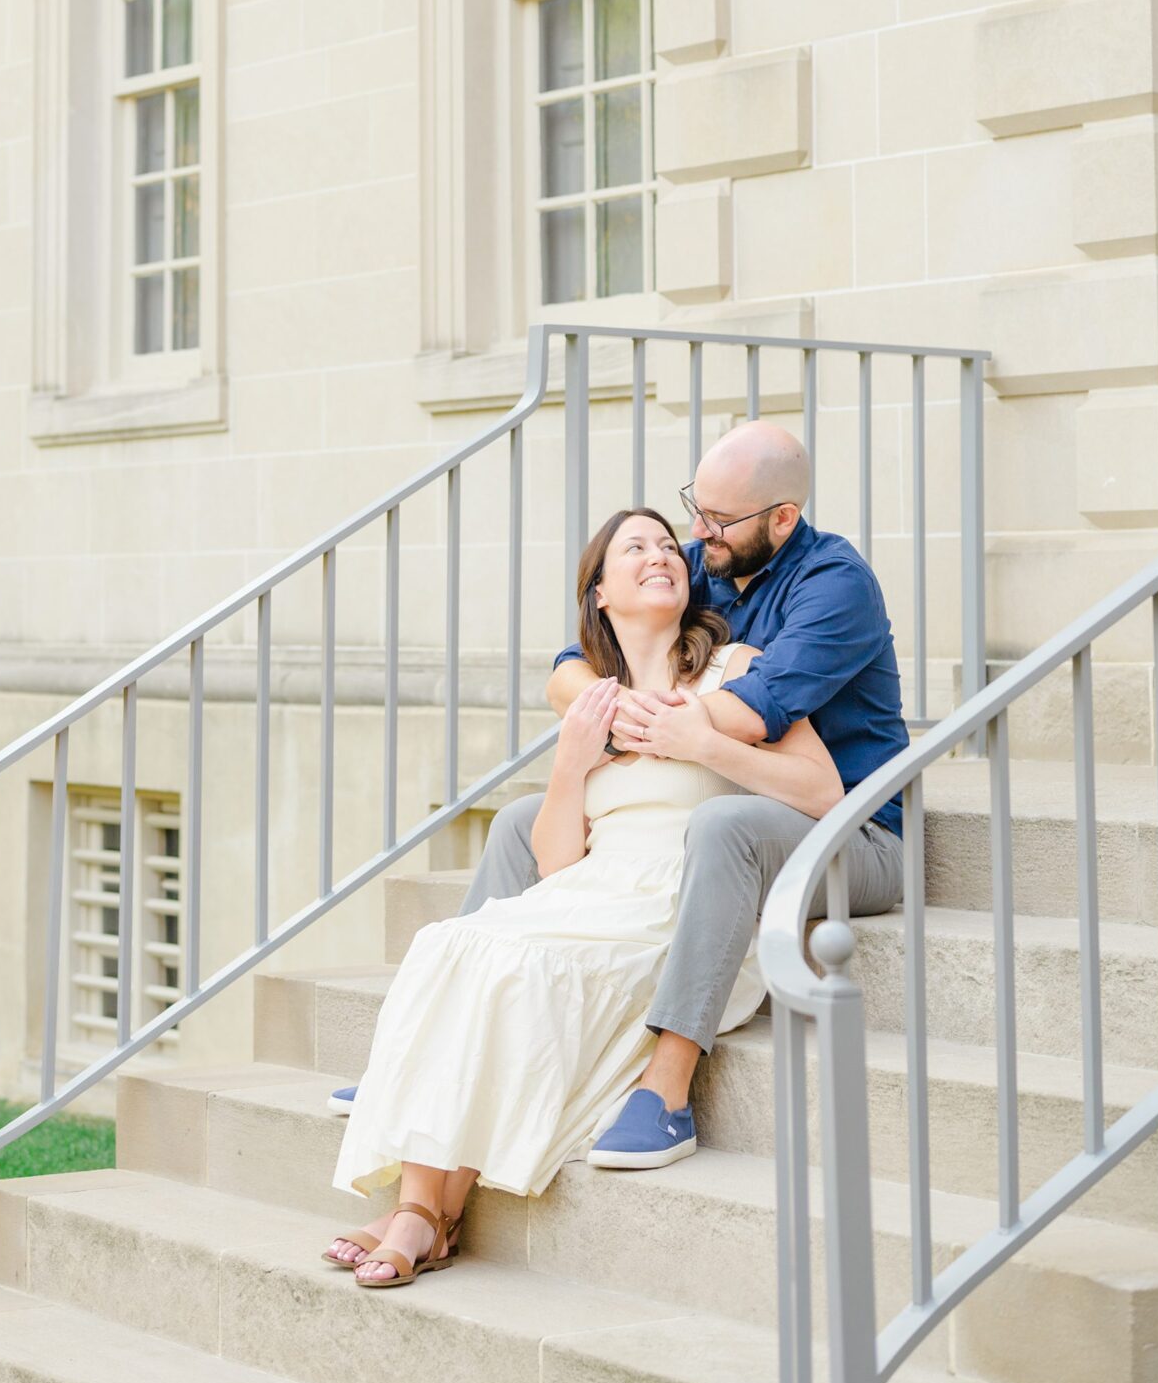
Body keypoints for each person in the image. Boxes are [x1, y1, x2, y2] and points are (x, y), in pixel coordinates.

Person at [327, 421, 909, 1173]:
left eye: (715, 521)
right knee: (517, 822)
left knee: (721, 823)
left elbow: (750, 705)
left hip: (847, 829)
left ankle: (666, 1090)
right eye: (690, 511)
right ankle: (420, 1052)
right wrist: (596, 713)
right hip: (736, 783)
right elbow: (576, 659)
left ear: (782, 519)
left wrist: (640, 725)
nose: (693, 537)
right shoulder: (707, 559)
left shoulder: (834, 586)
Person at [320, 504, 844, 1290]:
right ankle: (423, 1214)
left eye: (669, 545)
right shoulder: (590, 700)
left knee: (504, 964)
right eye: (634, 548)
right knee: (453, 943)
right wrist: (570, 763)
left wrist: (704, 743)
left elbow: (820, 787)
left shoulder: (735, 670)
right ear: (599, 593)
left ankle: (421, 1214)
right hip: (592, 890)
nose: (660, 554)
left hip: (677, 894)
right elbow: (558, 860)